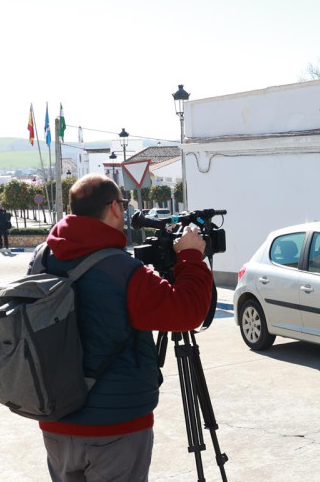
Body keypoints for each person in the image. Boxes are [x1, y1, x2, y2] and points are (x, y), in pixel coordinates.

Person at [40, 174, 213, 482]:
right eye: (123, 202)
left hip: (54, 420)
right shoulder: (123, 271)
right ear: (115, 208)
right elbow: (187, 312)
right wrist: (189, 256)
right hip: (116, 427)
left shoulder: (43, 258)